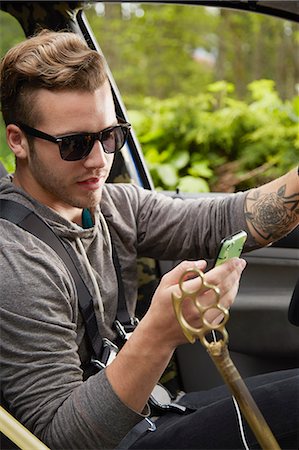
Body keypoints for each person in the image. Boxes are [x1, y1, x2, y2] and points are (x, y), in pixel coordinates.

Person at [0, 30, 298, 450]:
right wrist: (160, 334)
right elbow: (63, 438)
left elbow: (220, 220)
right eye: (74, 144)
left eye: (109, 135)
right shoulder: (13, 259)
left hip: (158, 414)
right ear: (19, 140)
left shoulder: (114, 207)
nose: (99, 160)